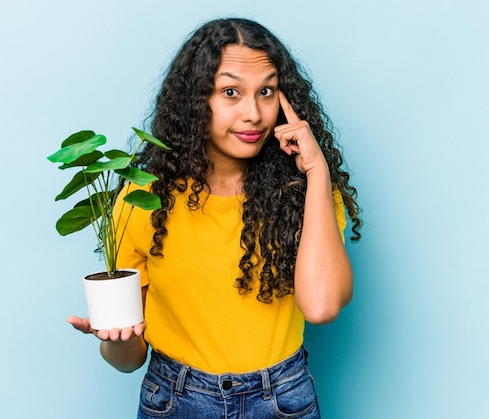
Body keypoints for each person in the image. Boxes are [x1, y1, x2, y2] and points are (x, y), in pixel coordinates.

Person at [68, 17, 362, 418]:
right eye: (230, 92)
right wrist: (116, 337)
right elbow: (128, 359)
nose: (254, 113)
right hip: (175, 399)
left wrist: (317, 171)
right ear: (196, 100)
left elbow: (323, 307)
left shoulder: (306, 194)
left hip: (282, 400)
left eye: (267, 92)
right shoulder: (145, 199)